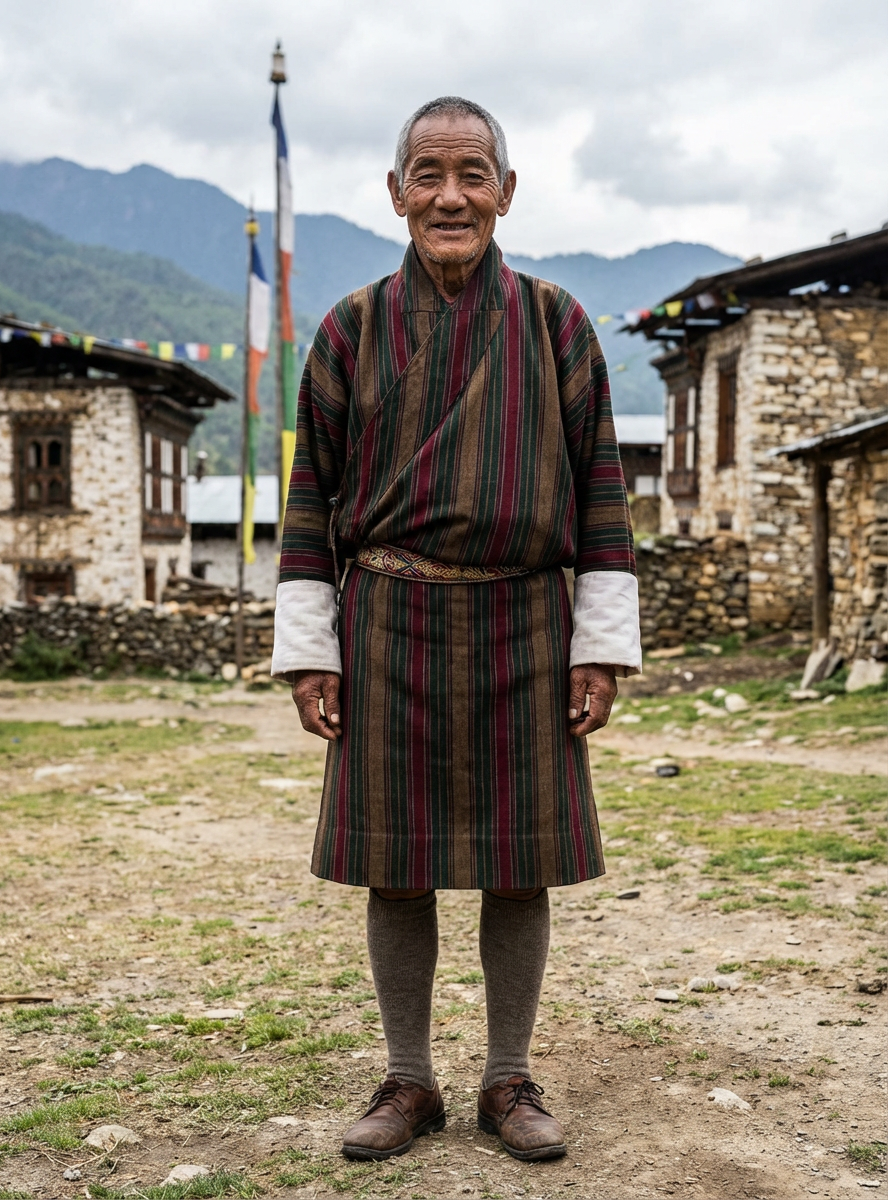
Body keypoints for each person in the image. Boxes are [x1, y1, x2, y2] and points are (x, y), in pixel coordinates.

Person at [271, 95, 641, 1163]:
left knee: (517, 863)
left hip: (527, 617)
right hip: (386, 620)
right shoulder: (347, 329)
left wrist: (598, 645)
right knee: (397, 863)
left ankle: (506, 1079)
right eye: (427, 174)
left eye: (471, 173)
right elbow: (310, 506)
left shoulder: (555, 322)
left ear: (504, 192)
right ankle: (408, 1079)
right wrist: (310, 651)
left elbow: (602, 495)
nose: (450, 195)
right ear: (395, 195)